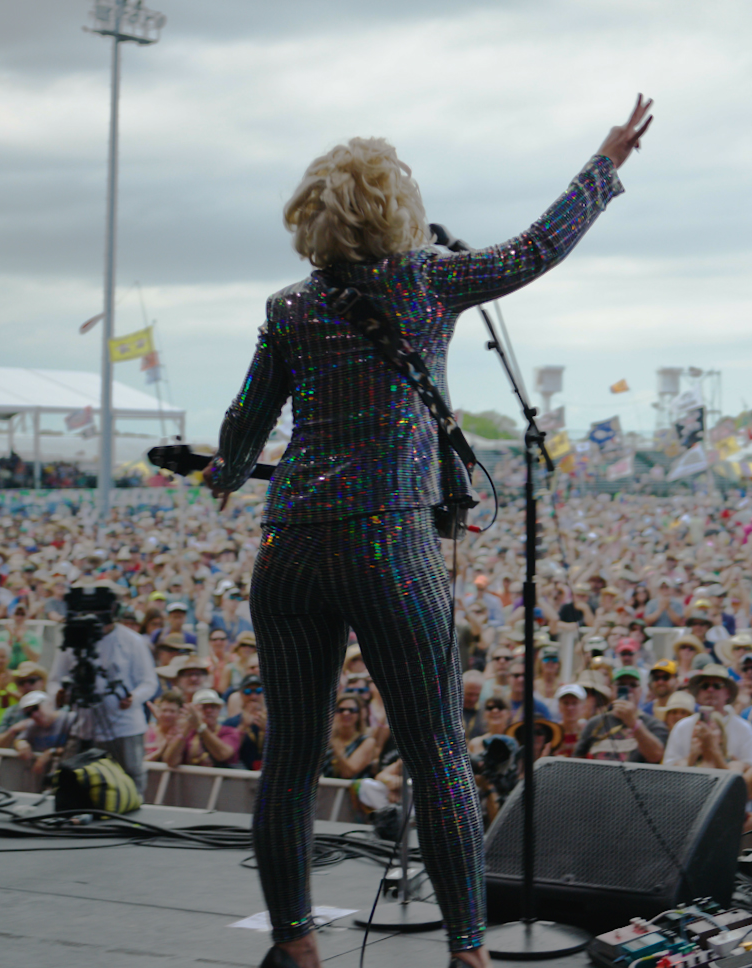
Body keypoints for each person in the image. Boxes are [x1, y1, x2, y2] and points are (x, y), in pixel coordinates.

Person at [202, 97, 652, 968]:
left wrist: (225, 472)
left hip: (289, 545)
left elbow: (244, 424)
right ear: (397, 208)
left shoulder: (288, 310)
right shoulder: (426, 283)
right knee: (437, 750)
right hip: (389, 547)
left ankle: (295, 946)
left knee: (290, 759)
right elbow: (536, 248)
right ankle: (468, 953)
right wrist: (605, 165)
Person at [46, 599, 158, 793]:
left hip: (124, 728)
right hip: (84, 726)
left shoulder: (132, 641)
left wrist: (134, 697)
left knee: (128, 783)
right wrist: (59, 695)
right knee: (73, 783)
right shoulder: (74, 638)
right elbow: (54, 680)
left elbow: (149, 682)